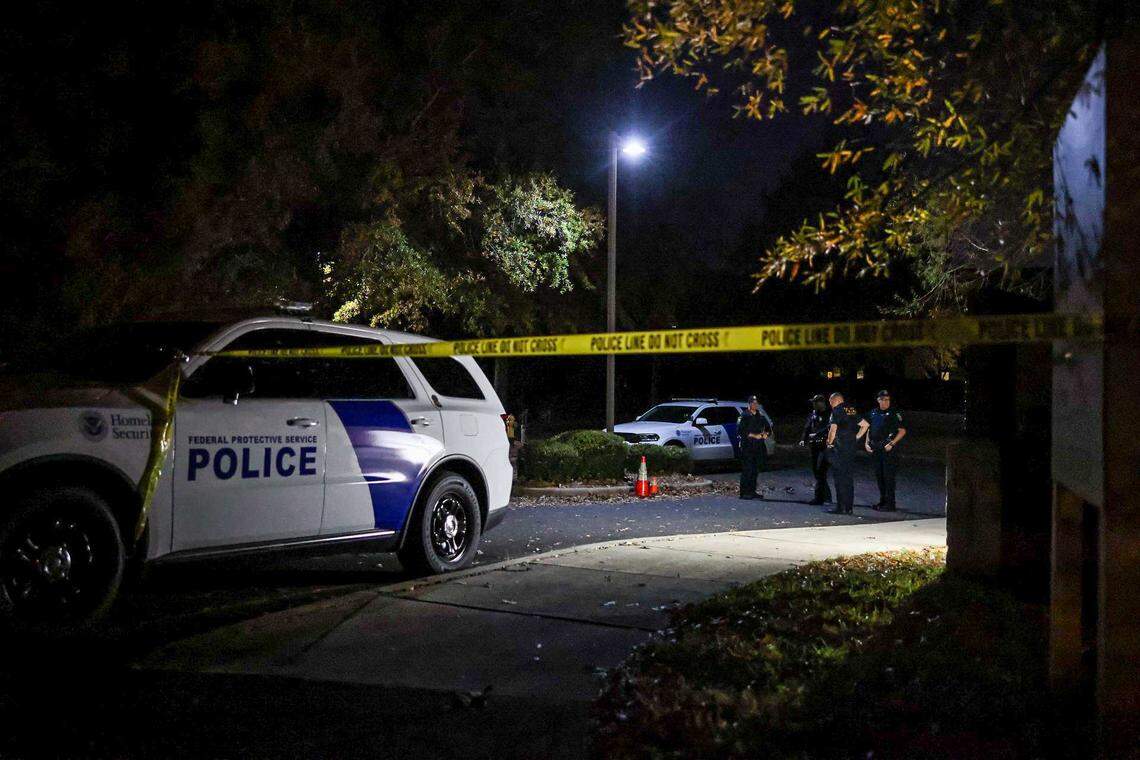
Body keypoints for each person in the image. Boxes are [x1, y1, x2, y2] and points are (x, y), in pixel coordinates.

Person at [864, 389, 907, 511]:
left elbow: (902, 431)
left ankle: (890, 504)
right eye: (883, 399)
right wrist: (866, 443)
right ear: (878, 400)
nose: (885, 402)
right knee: (880, 476)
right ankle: (882, 502)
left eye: (887, 399)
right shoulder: (873, 413)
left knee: (889, 477)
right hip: (876, 448)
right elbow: (868, 428)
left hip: (888, 449)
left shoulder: (894, 413)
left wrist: (892, 443)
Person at [825, 391, 862, 514]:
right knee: (848, 478)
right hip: (851, 448)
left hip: (840, 448)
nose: (830, 404)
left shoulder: (836, 411)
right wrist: (856, 437)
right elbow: (865, 425)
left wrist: (829, 443)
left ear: (835, 400)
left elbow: (833, 429)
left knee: (839, 478)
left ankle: (840, 507)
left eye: (830, 402)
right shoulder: (851, 409)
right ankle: (849, 507)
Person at [799, 394, 832, 505]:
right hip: (814, 446)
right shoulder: (813, 414)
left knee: (820, 471)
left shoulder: (829, 414)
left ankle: (822, 498)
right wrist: (803, 439)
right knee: (816, 471)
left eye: (816, 402)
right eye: (813, 402)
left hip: (824, 446)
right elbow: (807, 427)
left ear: (822, 403)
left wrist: (817, 434)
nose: (814, 404)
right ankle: (824, 497)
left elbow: (829, 428)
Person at [737, 395, 772, 500]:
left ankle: (752, 491)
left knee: (755, 470)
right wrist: (754, 436)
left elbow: (768, 428)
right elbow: (741, 431)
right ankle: (744, 493)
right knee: (747, 470)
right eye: (753, 403)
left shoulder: (760, 416)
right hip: (747, 446)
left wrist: (765, 435)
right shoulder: (744, 416)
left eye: (756, 403)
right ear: (749, 404)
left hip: (758, 447)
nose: (755, 405)